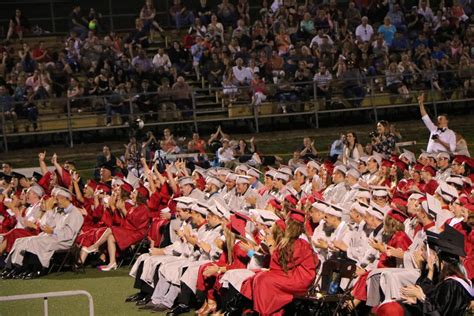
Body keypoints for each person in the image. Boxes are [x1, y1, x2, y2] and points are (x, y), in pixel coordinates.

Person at [4, 187, 84, 279]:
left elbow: (68, 235)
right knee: (21, 241)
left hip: (65, 241)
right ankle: (16, 267)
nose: (55, 201)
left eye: (57, 199)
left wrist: (53, 231)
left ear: (65, 198)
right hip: (54, 237)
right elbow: (49, 225)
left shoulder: (75, 213)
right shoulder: (58, 210)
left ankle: (38, 269)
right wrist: (49, 210)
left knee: (36, 241)